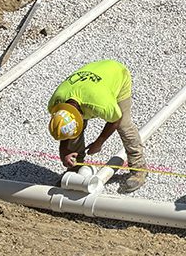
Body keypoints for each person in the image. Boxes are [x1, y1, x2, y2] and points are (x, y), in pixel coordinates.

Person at [47, 59, 146, 193]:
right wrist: (65, 151)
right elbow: (65, 132)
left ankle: (139, 168)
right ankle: (76, 168)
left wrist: (98, 143)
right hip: (91, 77)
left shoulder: (100, 104)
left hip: (116, 73)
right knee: (74, 135)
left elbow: (116, 120)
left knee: (125, 126)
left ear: (79, 117)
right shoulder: (55, 104)